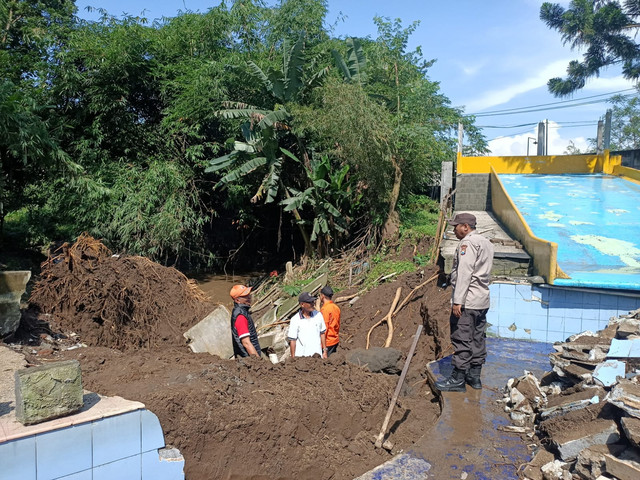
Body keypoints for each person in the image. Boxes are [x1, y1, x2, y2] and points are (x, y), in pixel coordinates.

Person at [435, 213, 494, 392]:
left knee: (462, 338)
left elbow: (464, 273)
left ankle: (458, 379)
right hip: (482, 301)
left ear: (466, 227)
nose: (454, 230)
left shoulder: (467, 244)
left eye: (456, 226)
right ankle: (474, 377)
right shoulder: (487, 243)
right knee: (478, 338)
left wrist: (458, 301)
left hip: (467, 301)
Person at [287, 292, 327, 358]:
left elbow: (322, 333)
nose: (312, 304)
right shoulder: (295, 320)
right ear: (302, 304)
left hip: (317, 356)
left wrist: (325, 351)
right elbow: (293, 341)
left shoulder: (318, 315)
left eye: (313, 301)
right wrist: (293, 358)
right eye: (310, 302)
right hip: (302, 358)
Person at [230, 284, 262, 358]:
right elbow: (246, 343)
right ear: (237, 300)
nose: (249, 297)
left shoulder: (241, 311)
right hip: (247, 360)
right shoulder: (240, 316)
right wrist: (258, 362)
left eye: (248, 295)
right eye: (245, 296)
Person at [319, 285, 341, 356]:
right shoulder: (336, 307)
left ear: (322, 296)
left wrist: (323, 347)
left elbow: (324, 328)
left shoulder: (325, 309)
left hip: (327, 342)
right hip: (335, 339)